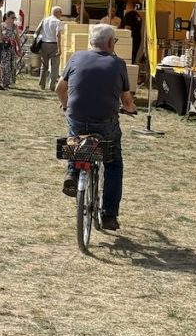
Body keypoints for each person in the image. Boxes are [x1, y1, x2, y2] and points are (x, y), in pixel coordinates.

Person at [56, 24, 136, 231]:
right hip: (105, 122)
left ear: (91, 41)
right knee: (113, 163)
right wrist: (131, 109)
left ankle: (72, 172)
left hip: (78, 118)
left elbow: (59, 88)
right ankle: (109, 214)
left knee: (75, 137)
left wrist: (66, 105)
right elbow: (126, 100)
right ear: (110, 43)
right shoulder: (118, 64)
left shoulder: (76, 57)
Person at [36, 6, 63, 92]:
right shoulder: (58, 22)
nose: (61, 14)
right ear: (57, 12)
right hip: (53, 44)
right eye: (61, 12)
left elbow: (37, 30)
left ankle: (42, 84)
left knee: (44, 65)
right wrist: (59, 48)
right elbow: (58, 35)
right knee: (54, 66)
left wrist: (37, 42)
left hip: (44, 44)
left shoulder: (44, 20)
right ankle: (52, 85)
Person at [0, 10, 21, 88]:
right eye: (12, 17)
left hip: (12, 48)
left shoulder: (15, 26)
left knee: (12, 65)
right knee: (4, 65)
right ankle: (4, 81)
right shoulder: (2, 25)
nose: (13, 19)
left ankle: (10, 81)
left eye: (15, 18)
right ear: (7, 17)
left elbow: (17, 38)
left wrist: (19, 48)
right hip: (4, 48)